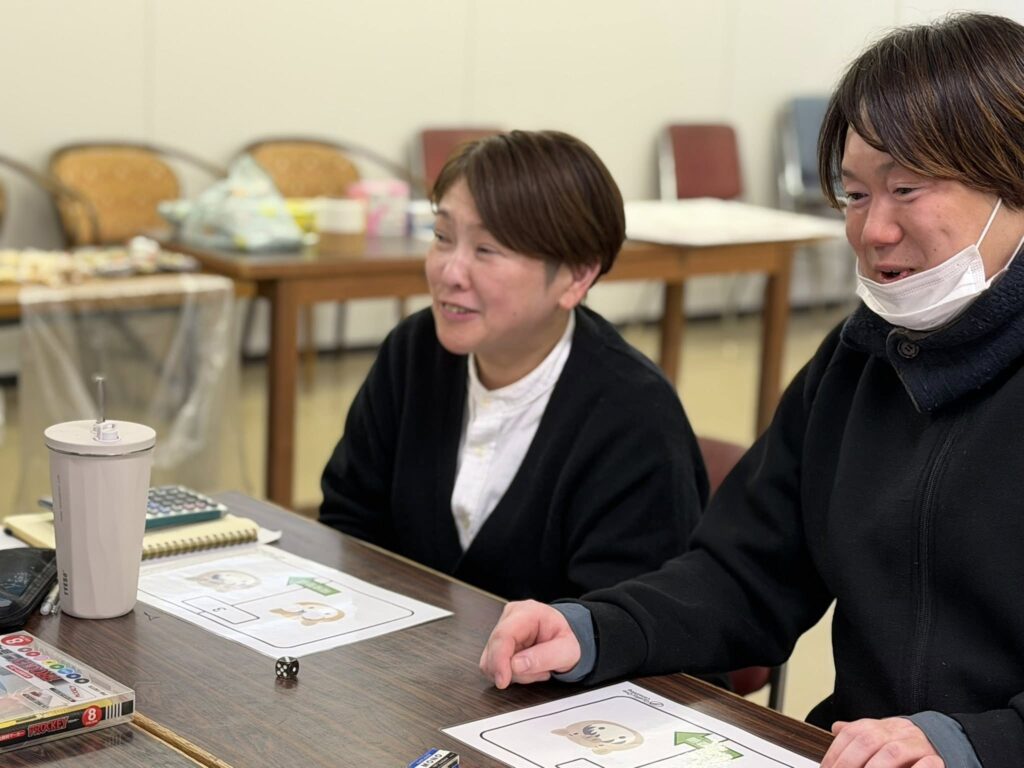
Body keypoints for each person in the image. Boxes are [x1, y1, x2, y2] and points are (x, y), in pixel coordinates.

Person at [479, 13, 1024, 768]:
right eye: (855, 194)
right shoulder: (858, 362)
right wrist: (599, 627)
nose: (873, 230)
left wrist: (975, 744)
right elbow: (745, 574)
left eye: (906, 189)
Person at [319, 130, 708, 603]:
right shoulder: (413, 353)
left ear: (576, 275)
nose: (450, 272)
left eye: (486, 250)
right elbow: (348, 525)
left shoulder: (636, 418)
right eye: (442, 237)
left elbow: (622, 622)